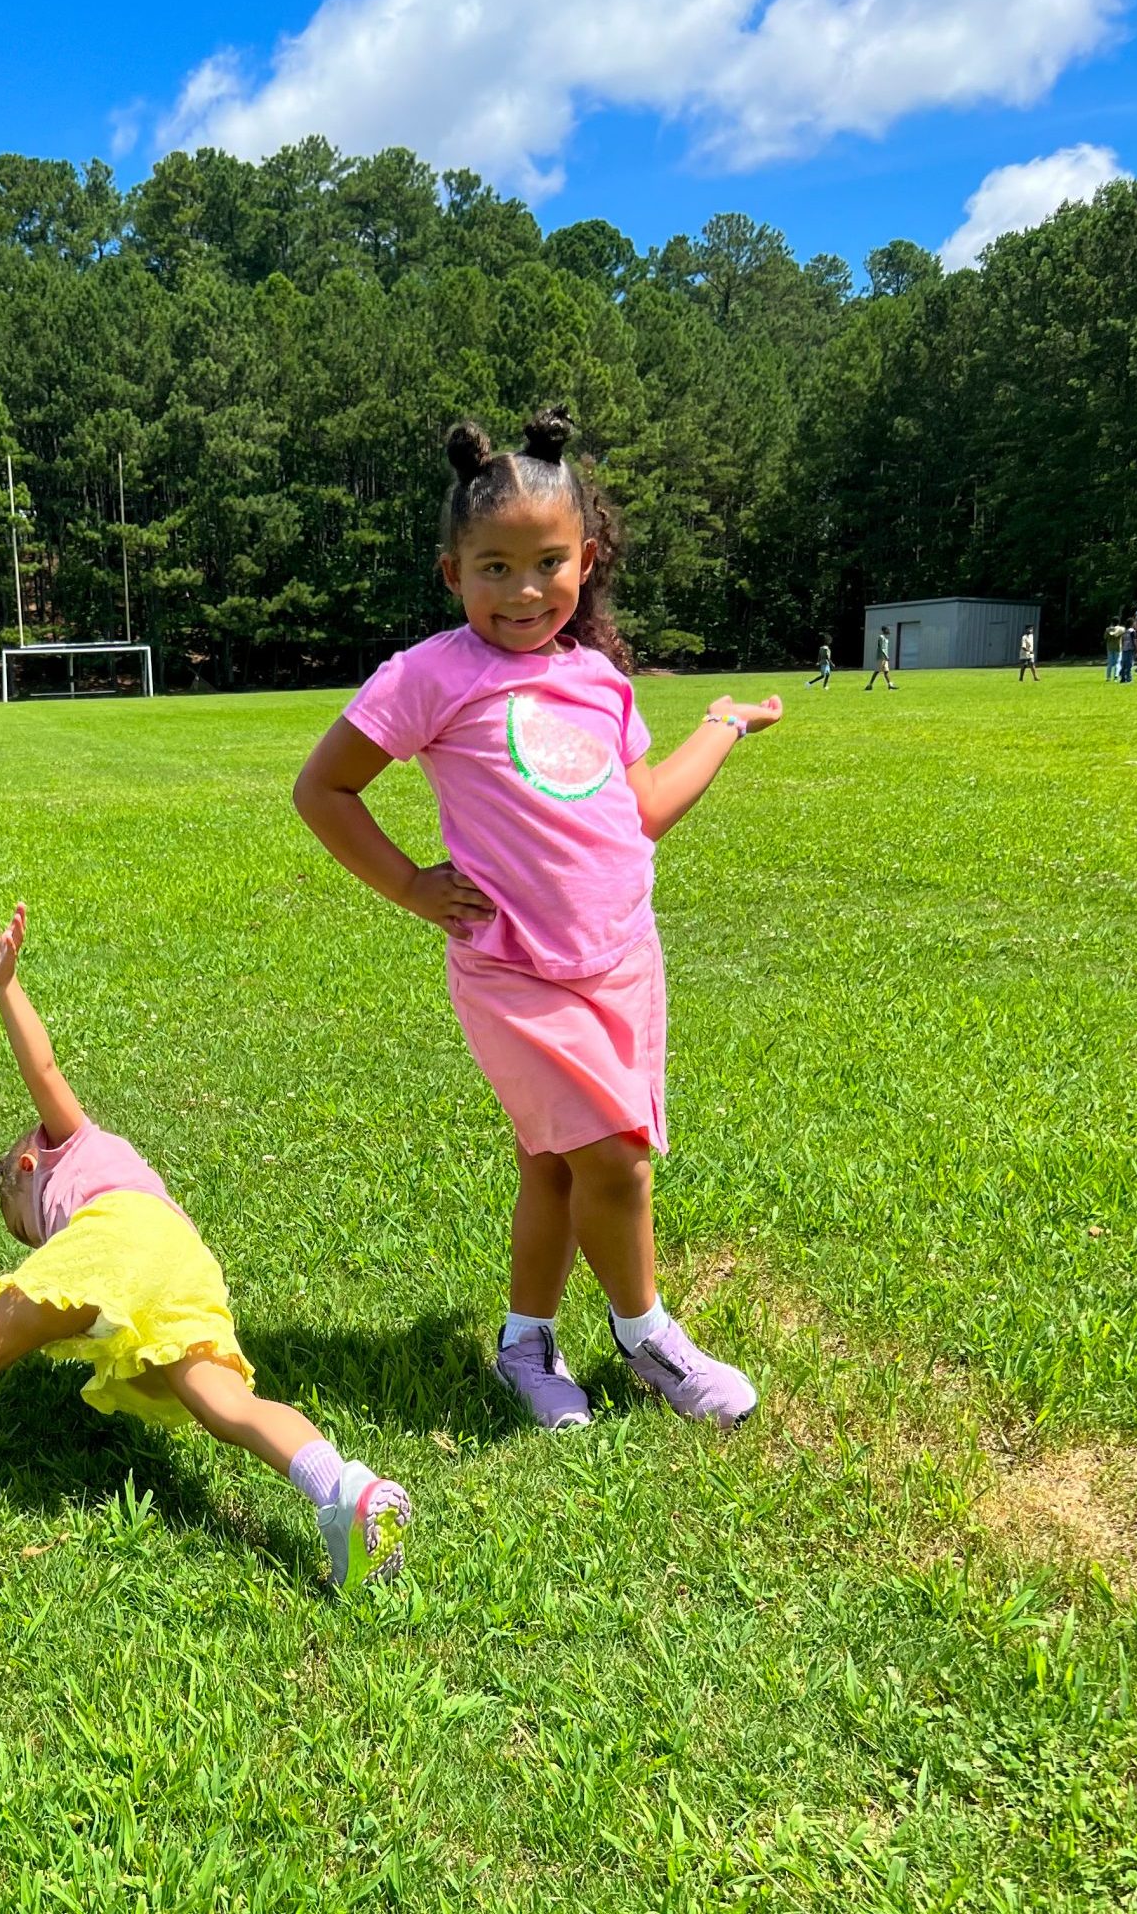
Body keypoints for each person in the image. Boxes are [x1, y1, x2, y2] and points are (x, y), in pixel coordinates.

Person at [293, 410, 775, 1434]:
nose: (522, 591)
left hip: (621, 962)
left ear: (585, 560)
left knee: (555, 1165)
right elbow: (324, 789)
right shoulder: (430, 674)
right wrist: (409, 886)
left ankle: (525, 1343)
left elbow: (641, 813)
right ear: (451, 574)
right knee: (616, 1159)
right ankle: (646, 1337)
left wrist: (724, 725)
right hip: (515, 972)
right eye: (494, 567)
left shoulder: (599, 680)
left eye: (547, 563)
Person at [0, 904, 412, 1592]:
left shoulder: (68, 1146)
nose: (41, 1243)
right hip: (184, 1261)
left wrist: (7, 987)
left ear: (28, 1165)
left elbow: (43, 1067)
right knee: (228, 1405)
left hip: (120, 1233)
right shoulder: (123, 1177)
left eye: (29, 1226)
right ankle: (344, 1488)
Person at [866, 626, 896, 690]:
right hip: (881, 657)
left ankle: (890, 685)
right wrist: (886, 656)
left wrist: (886, 656)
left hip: (884, 657)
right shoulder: (881, 637)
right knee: (877, 671)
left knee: (886, 671)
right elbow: (881, 648)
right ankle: (869, 685)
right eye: (888, 630)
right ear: (884, 630)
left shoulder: (886, 639)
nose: (889, 631)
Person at [1123, 616, 1137, 686]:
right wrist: (1136, 649)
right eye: (1135, 623)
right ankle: (1129, 679)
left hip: (1124, 649)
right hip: (1130, 649)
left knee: (1124, 664)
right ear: (1132, 623)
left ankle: (1123, 678)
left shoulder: (1125, 631)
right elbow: (1134, 640)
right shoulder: (1132, 631)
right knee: (1130, 664)